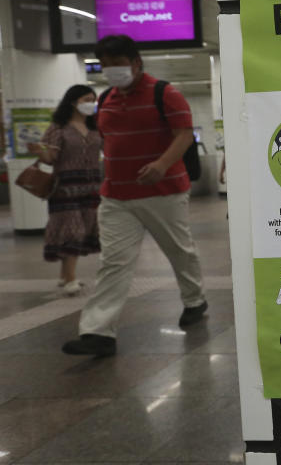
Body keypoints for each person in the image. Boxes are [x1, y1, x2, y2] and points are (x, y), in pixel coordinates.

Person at [62, 35, 208, 357]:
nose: (113, 70)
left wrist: (162, 164)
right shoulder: (106, 99)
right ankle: (98, 332)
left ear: (136, 62)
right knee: (113, 262)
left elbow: (184, 134)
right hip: (116, 197)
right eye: (107, 65)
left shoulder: (164, 93)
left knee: (179, 251)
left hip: (164, 192)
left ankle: (195, 300)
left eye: (119, 64)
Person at [27, 85, 102, 296]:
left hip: (91, 187)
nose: (91, 103)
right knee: (73, 231)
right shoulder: (58, 128)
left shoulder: (95, 127)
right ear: (73, 102)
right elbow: (50, 158)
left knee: (84, 229)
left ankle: (63, 275)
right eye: (86, 99)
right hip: (65, 188)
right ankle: (70, 279)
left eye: (93, 99)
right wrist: (39, 151)